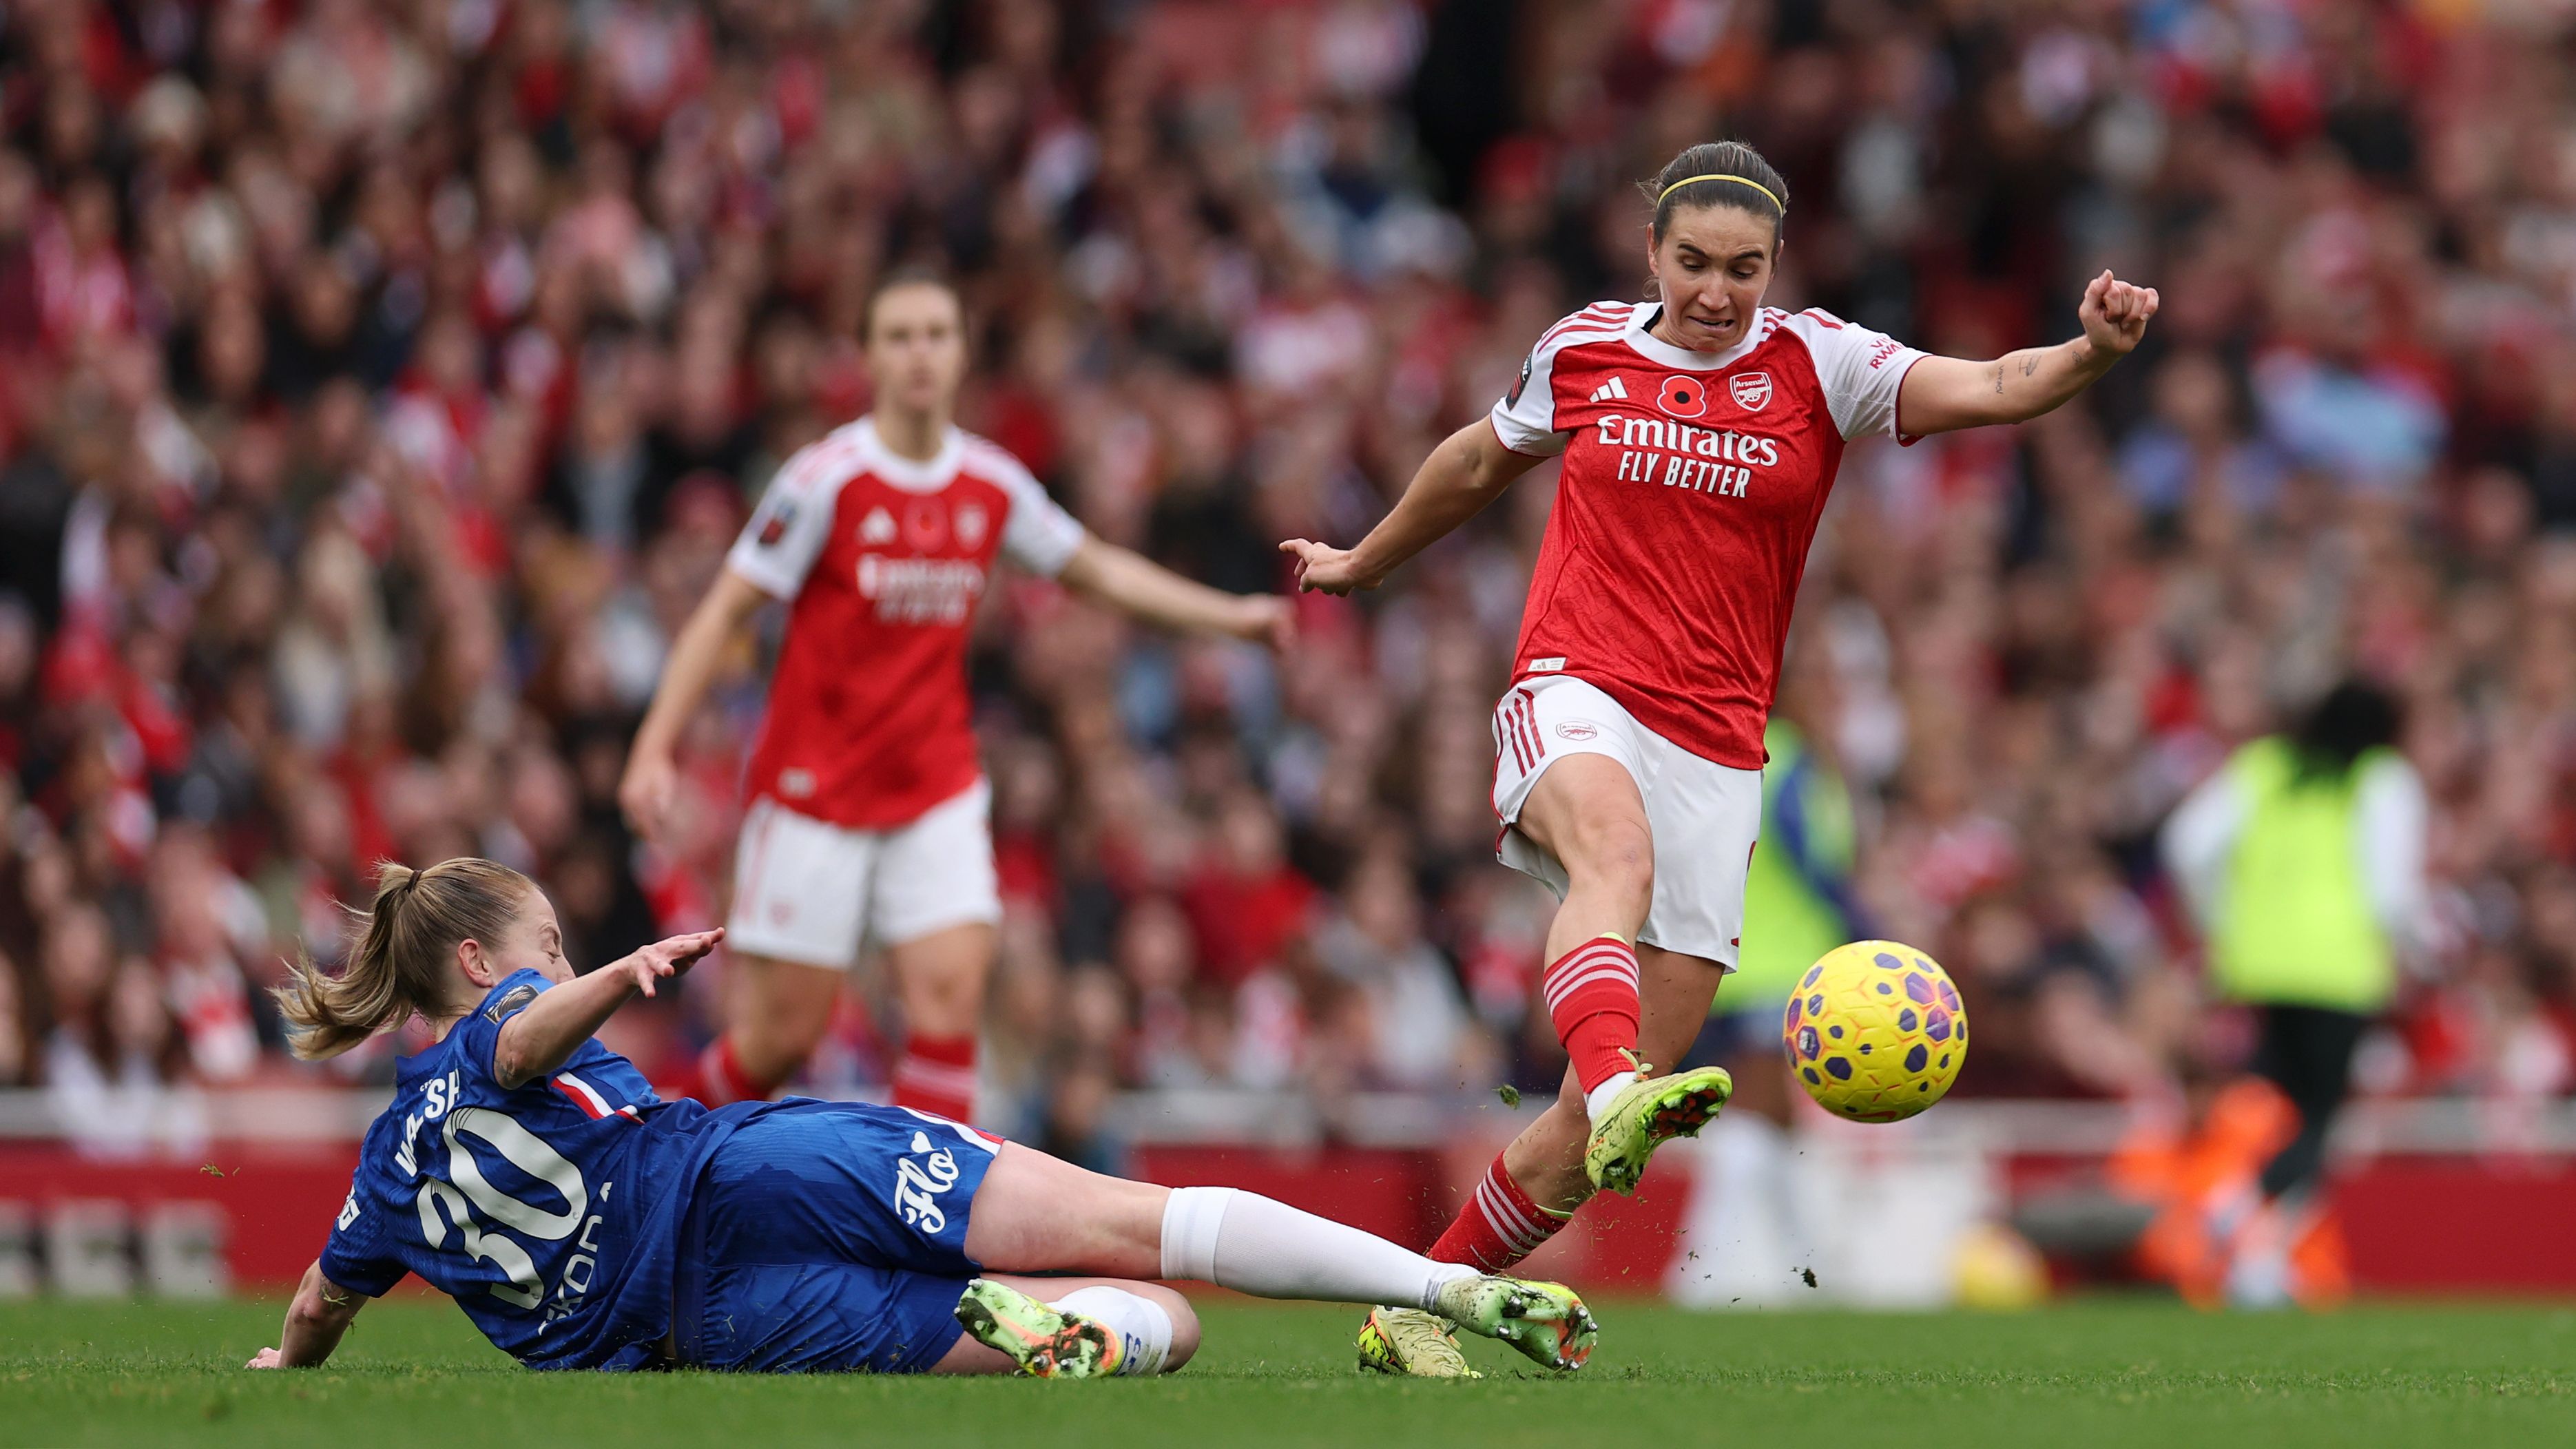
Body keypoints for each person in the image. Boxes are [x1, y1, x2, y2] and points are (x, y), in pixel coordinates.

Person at [1280, 138, 2157, 1372]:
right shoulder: (1582, 346)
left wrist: (2093, 354)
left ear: (1774, 265)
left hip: (1717, 748)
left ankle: (1421, 1302)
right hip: (1576, 690)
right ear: (1651, 252)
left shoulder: (1821, 361)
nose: (1716, 290)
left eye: (1743, 267)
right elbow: (1481, 457)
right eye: (1693, 261)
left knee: (1592, 1122)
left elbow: (2001, 383)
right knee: (1613, 861)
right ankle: (1613, 1074)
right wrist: (1364, 560)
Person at [247, 859, 1595, 1378]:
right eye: (543, 938)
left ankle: (1044, 1329)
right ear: (481, 964)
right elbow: (523, 1036)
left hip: (698, 1332)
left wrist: (280, 1374)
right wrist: (612, 973)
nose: (560, 956)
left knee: (1159, 1338)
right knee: (1141, 1231)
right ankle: (1447, 1287)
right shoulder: (509, 1020)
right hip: (742, 1173)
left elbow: (317, 1303)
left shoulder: (385, 1168)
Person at [619, 272, 1290, 1122]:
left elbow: (1096, 569)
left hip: (933, 787)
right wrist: (652, 748)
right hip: (813, 791)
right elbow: (724, 611)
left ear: (964, 351)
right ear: (865, 357)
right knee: (781, 1039)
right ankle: (653, 1154)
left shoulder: (990, 482)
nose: (920, 353)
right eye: (898, 336)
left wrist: (1231, 617)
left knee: (946, 1010)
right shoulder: (824, 479)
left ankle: (927, 1228)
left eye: (937, 333)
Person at [2159, 678, 2424, 1306]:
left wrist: (2218, 924)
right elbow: (2391, 888)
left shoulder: (2265, 765)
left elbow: (2186, 843)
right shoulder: (2381, 778)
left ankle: (2259, 1259)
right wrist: (2410, 954)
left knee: (2268, 1115)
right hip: (2339, 971)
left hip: (2257, 967)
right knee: (2316, 1122)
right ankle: (2242, 1214)